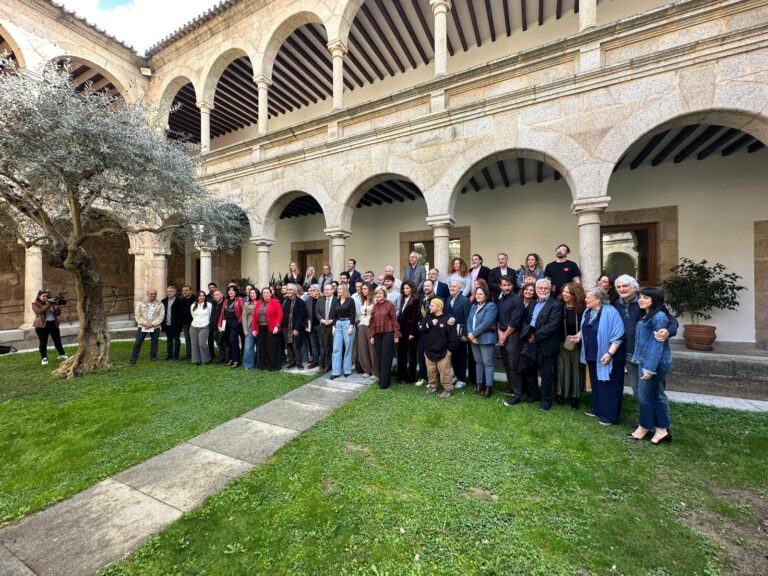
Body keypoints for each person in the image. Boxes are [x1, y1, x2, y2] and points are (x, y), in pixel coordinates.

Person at [614, 274, 677, 402]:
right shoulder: (617, 305)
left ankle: (658, 419)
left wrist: (668, 331)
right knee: (637, 389)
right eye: (618, 287)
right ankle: (644, 419)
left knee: (656, 390)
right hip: (629, 353)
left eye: (625, 286)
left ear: (634, 287)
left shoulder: (645, 302)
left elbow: (671, 321)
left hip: (647, 355)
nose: (621, 289)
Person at [627, 288, 674, 445]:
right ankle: (661, 429)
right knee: (655, 395)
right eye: (640, 297)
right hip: (646, 360)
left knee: (645, 396)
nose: (641, 300)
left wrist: (649, 369)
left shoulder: (659, 317)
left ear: (654, 300)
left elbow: (656, 345)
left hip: (652, 363)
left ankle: (645, 427)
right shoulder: (648, 315)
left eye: (645, 297)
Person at [574, 287, 625, 426]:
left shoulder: (610, 312)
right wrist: (578, 337)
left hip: (606, 354)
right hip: (592, 353)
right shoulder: (588, 311)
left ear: (598, 299)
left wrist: (609, 353)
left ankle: (609, 416)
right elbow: (584, 327)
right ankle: (597, 408)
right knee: (596, 383)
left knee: (608, 384)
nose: (585, 300)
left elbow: (618, 335)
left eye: (588, 297)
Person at [525, 278, 564, 410]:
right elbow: (527, 319)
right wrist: (529, 335)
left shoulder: (556, 305)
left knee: (546, 374)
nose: (542, 290)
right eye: (540, 288)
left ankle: (546, 401)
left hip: (546, 343)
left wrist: (536, 337)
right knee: (530, 370)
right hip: (530, 339)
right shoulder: (532, 303)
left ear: (550, 289)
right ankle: (533, 395)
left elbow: (553, 325)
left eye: (545, 288)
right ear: (536, 289)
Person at [419, 297, 458, 398]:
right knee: (430, 371)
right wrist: (430, 324)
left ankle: (447, 389)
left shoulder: (448, 319)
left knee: (445, 371)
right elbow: (420, 328)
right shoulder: (428, 317)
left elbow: (453, 336)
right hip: (429, 351)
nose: (429, 307)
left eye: (432, 305)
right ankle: (432, 386)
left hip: (443, 352)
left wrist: (449, 350)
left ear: (439, 307)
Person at [556, 282, 586, 408]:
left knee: (575, 369)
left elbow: (585, 326)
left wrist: (578, 337)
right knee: (561, 368)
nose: (564, 294)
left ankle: (574, 396)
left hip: (576, 343)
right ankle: (559, 394)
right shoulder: (558, 305)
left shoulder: (582, 308)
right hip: (561, 342)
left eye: (568, 292)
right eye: (563, 291)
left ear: (575, 294)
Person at [496, 275, 525, 404]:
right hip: (503, 335)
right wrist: (500, 335)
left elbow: (515, 321)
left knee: (513, 365)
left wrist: (505, 335)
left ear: (512, 285)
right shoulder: (501, 300)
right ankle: (510, 387)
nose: (506, 288)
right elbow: (498, 319)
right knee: (506, 364)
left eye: (508, 285)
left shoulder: (517, 300)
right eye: (504, 285)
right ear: (500, 286)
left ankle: (517, 394)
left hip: (513, 336)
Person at [467, 284, 498, 398]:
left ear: (486, 295)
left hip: (486, 338)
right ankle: (479, 384)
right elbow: (469, 321)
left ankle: (488, 387)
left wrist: (473, 334)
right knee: (478, 362)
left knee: (487, 363)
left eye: (481, 294)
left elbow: (486, 323)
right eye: (477, 294)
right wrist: (470, 334)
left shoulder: (491, 306)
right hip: (473, 339)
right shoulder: (474, 306)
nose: (478, 296)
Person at [368, 286, 400, 389]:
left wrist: (396, 334)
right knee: (379, 357)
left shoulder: (389, 304)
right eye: (377, 294)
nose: (378, 295)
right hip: (377, 334)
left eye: (380, 293)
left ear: (384, 294)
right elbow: (372, 322)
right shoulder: (375, 306)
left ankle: (385, 382)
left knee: (386, 358)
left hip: (388, 333)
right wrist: (371, 335)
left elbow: (394, 320)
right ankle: (382, 379)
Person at [446, 279, 471, 388]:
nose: (452, 288)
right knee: (454, 355)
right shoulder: (448, 299)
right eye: (451, 286)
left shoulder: (465, 301)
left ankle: (462, 379)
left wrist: (465, 334)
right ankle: (456, 375)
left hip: (461, 334)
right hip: (451, 334)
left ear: (460, 289)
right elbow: (447, 314)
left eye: (454, 287)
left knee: (461, 356)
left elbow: (468, 319)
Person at [32, 289, 67, 366]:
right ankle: (44, 358)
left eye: (47, 296)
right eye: (43, 296)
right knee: (43, 342)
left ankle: (62, 354)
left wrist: (57, 308)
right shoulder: (35, 304)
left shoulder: (51, 303)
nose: (45, 297)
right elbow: (39, 312)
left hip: (53, 324)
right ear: (39, 296)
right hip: (42, 326)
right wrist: (48, 304)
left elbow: (57, 314)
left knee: (57, 340)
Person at [129, 289, 165, 365]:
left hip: (155, 326)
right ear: (147, 294)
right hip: (142, 326)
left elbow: (161, 316)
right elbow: (137, 315)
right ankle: (133, 358)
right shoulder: (141, 303)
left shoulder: (160, 304)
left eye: (155, 294)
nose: (153, 295)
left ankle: (153, 356)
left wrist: (152, 324)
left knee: (154, 342)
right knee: (138, 342)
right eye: (151, 294)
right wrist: (145, 323)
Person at [253, 287, 283, 371]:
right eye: (264, 293)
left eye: (267, 292)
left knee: (272, 347)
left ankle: (273, 366)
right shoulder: (259, 303)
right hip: (261, 328)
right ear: (262, 294)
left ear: (270, 293)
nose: (265, 294)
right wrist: (254, 329)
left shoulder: (275, 302)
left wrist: (277, 326)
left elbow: (280, 315)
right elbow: (255, 317)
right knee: (262, 347)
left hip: (272, 327)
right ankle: (263, 365)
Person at [330, 284, 356, 378]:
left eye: (340, 288)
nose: (338, 290)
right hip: (338, 325)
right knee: (336, 348)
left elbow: (353, 314)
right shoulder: (336, 301)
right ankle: (335, 372)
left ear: (345, 289)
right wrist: (333, 327)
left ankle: (347, 370)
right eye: (338, 289)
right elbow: (334, 315)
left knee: (348, 348)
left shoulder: (350, 300)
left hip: (347, 323)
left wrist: (351, 326)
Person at [397, 280, 419, 383]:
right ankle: (401, 375)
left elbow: (415, 318)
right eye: (404, 288)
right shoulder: (402, 299)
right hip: (402, 330)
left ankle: (411, 377)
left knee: (411, 355)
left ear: (412, 289)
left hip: (410, 330)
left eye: (407, 288)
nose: (405, 290)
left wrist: (412, 333)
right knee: (401, 354)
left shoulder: (415, 300)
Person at [218, 285, 244, 368]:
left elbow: (244, 312)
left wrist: (239, 321)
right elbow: (222, 313)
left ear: (235, 291)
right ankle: (231, 359)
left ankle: (236, 360)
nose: (231, 292)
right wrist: (219, 324)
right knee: (228, 342)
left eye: (232, 290)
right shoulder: (226, 301)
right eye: (229, 290)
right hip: (226, 324)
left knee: (233, 341)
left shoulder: (239, 299)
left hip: (235, 324)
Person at [356, 282, 378, 379]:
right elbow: (362, 314)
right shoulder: (363, 300)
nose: (363, 290)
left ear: (369, 289)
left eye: (365, 288)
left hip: (370, 325)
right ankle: (367, 369)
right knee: (363, 348)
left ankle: (375, 371)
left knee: (372, 349)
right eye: (362, 289)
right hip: (362, 325)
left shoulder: (374, 300)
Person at [282, 283, 306, 369]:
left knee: (296, 345)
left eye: (290, 289)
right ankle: (291, 362)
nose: (288, 291)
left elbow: (301, 316)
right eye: (287, 289)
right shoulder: (284, 300)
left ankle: (299, 363)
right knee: (288, 344)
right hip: (285, 326)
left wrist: (296, 328)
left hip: (296, 327)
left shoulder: (300, 302)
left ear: (295, 291)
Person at [316, 283, 337, 371]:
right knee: (324, 347)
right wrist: (322, 320)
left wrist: (332, 320)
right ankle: (324, 364)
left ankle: (331, 365)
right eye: (325, 290)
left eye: (328, 289)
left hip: (333, 327)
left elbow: (339, 313)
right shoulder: (320, 300)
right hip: (323, 326)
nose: (326, 291)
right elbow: (317, 313)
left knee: (333, 347)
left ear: (332, 290)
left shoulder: (337, 300)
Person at [161, 286, 184, 360]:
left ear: (175, 292)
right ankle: (169, 354)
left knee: (176, 339)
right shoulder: (164, 301)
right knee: (169, 339)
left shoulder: (179, 301)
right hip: (167, 324)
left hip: (176, 324)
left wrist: (180, 323)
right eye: (167, 291)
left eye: (171, 291)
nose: (169, 293)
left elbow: (181, 314)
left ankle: (176, 355)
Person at [189, 290, 212, 365]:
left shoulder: (209, 305)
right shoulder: (193, 305)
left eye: (203, 295)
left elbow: (210, 315)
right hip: (194, 326)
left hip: (204, 326)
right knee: (194, 344)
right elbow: (193, 315)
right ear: (197, 297)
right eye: (200, 296)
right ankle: (196, 360)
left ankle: (206, 359)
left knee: (202, 344)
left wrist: (207, 323)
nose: (202, 297)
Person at [242, 287, 260, 369]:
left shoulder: (261, 303)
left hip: (261, 326)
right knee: (248, 346)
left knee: (260, 345)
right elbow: (244, 317)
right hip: (250, 326)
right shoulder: (247, 304)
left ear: (257, 294)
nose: (252, 295)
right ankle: (248, 364)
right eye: (251, 293)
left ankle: (260, 363)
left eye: (254, 293)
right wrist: (245, 329)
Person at [304, 284, 321, 368]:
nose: (310, 292)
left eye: (313, 290)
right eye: (310, 290)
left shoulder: (323, 299)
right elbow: (306, 314)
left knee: (322, 344)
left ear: (318, 291)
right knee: (313, 345)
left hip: (321, 325)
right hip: (311, 326)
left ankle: (322, 361)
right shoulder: (308, 301)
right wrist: (306, 324)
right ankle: (315, 361)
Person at [179, 285, 194, 360]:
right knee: (187, 339)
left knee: (195, 339)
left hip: (195, 323)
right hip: (186, 323)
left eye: (186, 290)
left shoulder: (195, 299)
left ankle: (195, 354)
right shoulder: (181, 300)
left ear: (190, 291)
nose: (185, 292)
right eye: (183, 290)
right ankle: (188, 353)